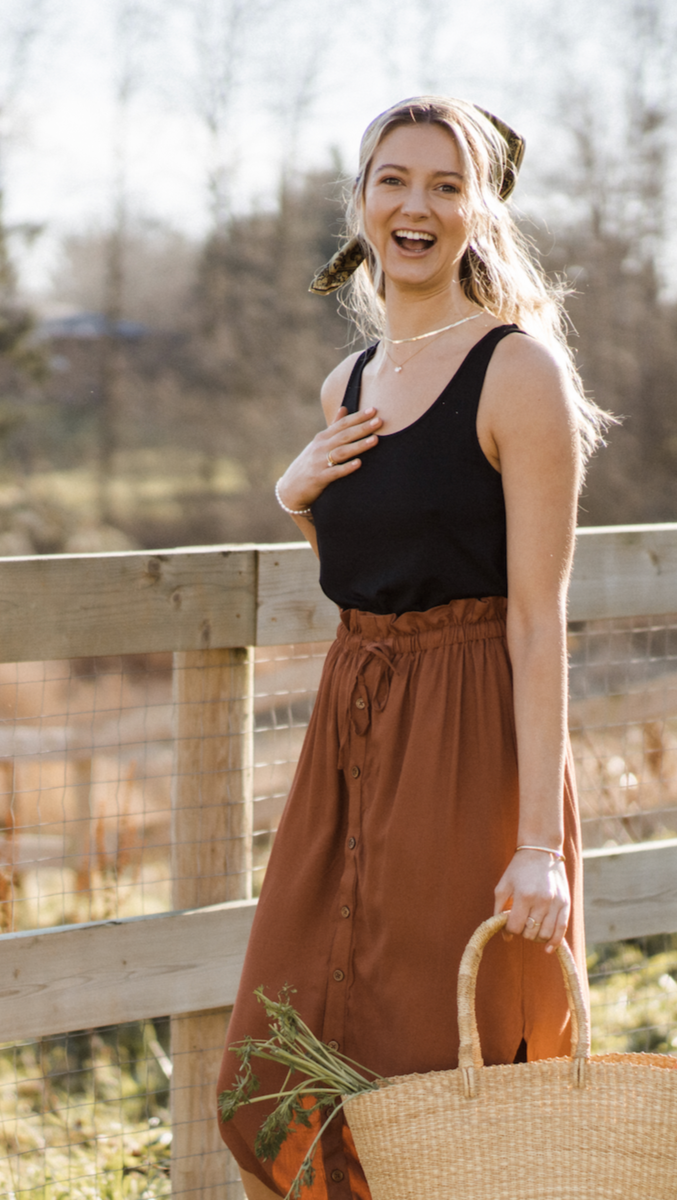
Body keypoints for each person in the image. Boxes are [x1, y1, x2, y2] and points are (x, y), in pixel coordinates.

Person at [218, 95, 607, 1200]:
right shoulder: (344, 387)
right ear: (361, 202)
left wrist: (537, 844)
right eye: (394, 180)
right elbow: (376, 570)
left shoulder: (519, 372)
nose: (417, 205)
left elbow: (535, 619)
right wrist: (295, 496)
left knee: (434, 1065)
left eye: (446, 184)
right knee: (285, 1033)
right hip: (350, 740)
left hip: (470, 740)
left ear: (481, 211)